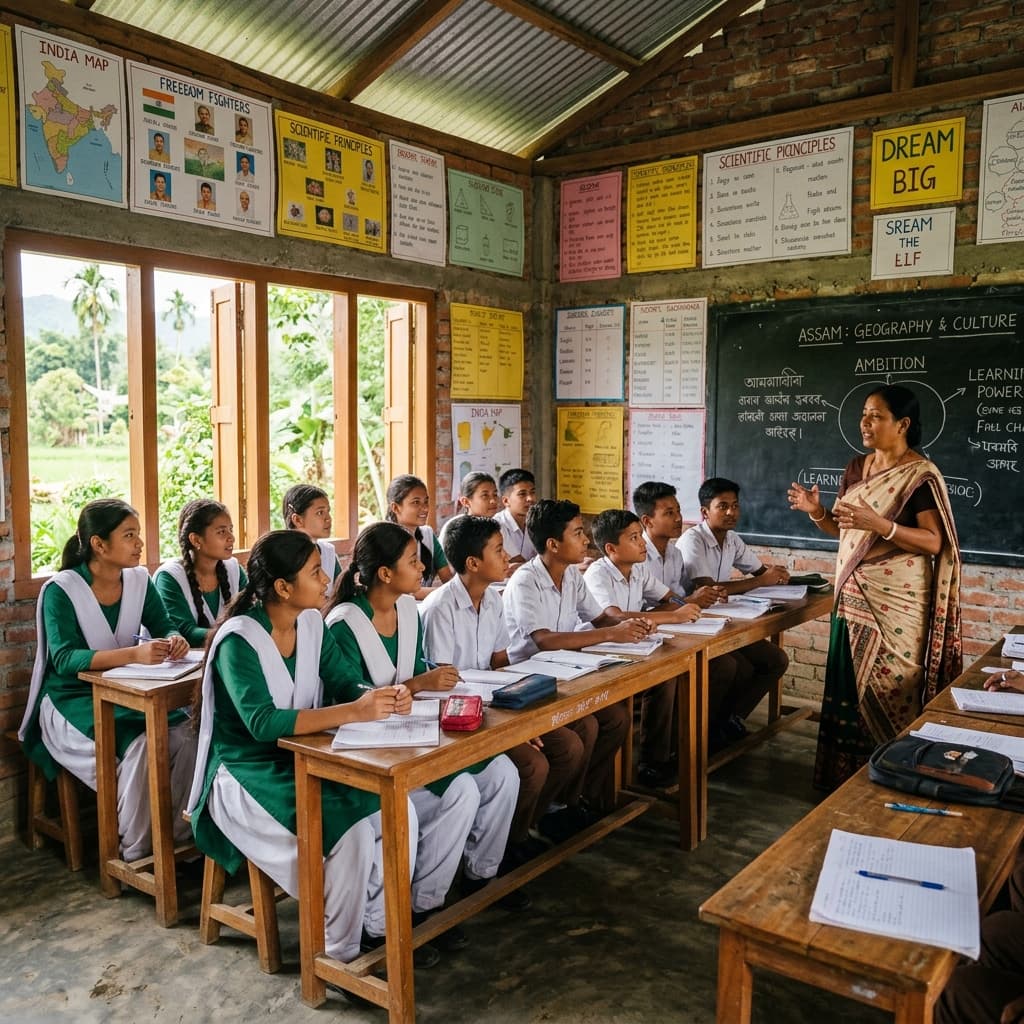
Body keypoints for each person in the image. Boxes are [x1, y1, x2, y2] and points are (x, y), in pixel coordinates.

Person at [185, 529, 441, 973]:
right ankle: (337, 954)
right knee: (353, 833)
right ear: (283, 587)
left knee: (398, 812)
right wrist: (355, 712)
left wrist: (380, 697)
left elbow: (345, 682)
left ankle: (376, 928)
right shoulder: (238, 639)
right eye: (315, 572)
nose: (328, 579)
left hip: (302, 755)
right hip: (245, 771)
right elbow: (261, 724)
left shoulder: (311, 623)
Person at [324, 522, 518, 950]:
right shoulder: (345, 623)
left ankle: (471, 880)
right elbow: (350, 694)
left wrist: (429, 685)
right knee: (462, 791)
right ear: (385, 574)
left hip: (412, 732)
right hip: (368, 748)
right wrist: (418, 685)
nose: (423, 567)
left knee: (503, 772)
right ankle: (416, 908)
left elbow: (412, 675)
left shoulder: (409, 609)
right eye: (412, 561)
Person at [788, 384, 962, 790]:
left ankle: (893, 776)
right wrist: (817, 513)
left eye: (876, 416)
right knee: (848, 684)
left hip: (897, 600)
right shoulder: (855, 468)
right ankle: (841, 782)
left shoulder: (919, 475)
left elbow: (935, 542)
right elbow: (846, 530)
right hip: (852, 595)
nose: (865, 423)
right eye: (864, 414)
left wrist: (883, 525)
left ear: (902, 424)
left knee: (891, 685)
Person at [18, 499, 196, 861]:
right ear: (98, 545)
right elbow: (65, 660)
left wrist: (175, 639)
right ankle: (136, 848)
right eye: (129, 536)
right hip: (72, 701)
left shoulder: (138, 581)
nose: (139, 544)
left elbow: (164, 626)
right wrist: (134, 655)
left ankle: (177, 836)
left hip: (127, 693)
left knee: (185, 733)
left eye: (138, 535)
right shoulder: (62, 590)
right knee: (142, 741)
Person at [421, 515, 586, 879]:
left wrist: (524, 708)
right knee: (532, 765)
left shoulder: (492, 600)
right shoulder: (439, 610)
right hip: (459, 717)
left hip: (494, 705)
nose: (508, 555)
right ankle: (493, 850)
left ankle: (519, 832)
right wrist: (514, 727)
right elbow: (445, 687)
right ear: (472, 563)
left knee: (567, 744)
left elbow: (497, 662)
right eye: (498, 550)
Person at [503, 499, 643, 819]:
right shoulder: (526, 580)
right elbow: (545, 640)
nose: (585, 540)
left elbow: (599, 617)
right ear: (553, 544)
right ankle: (547, 812)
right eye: (578, 533)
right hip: (527, 682)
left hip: (565, 675)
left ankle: (579, 797)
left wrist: (631, 627)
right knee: (580, 736)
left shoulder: (571, 575)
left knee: (616, 720)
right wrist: (611, 634)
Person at [584, 509, 702, 788]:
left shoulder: (637, 570)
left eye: (640, 536)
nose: (642, 544)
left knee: (671, 676)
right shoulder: (598, 574)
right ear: (611, 548)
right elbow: (613, 617)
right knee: (659, 680)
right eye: (634, 538)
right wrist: (672, 616)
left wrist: (686, 604)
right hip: (600, 653)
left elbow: (670, 597)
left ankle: (657, 758)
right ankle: (625, 773)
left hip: (633, 647)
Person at [679, 477, 791, 752]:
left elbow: (760, 573)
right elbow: (707, 589)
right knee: (736, 667)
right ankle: (704, 732)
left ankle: (729, 719)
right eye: (723, 506)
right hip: (695, 623)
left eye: (735, 506)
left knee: (775, 660)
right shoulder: (693, 541)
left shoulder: (732, 539)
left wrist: (777, 575)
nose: (731, 513)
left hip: (726, 622)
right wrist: (761, 581)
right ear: (705, 512)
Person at [153, 499, 245, 647]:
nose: (232, 538)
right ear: (196, 539)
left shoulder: (234, 569)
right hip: (176, 667)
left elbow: (251, 614)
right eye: (221, 532)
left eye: (231, 530)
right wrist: (235, 633)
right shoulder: (169, 576)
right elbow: (185, 632)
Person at [632, 481, 726, 610]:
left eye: (678, 511)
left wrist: (711, 594)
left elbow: (684, 595)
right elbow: (639, 612)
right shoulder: (635, 558)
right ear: (647, 521)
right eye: (669, 513)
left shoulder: (675, 553)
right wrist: (690, 601)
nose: (678, 518)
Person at [385, 474, 453, 598]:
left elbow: (448, 579)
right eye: (416, 502)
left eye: (426, 501)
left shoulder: (427, 535)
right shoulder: (384, 540)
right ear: (395, 507)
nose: (425, 508)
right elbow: (405, 592)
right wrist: (449, 592)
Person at [282, 483, 340, 590]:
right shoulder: (279, 556)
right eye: (320, 512)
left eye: (328, 511)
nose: (328, 518)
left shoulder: (328, 553)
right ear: (297, 520)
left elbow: (340, 596)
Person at [438, 472, 500, 548]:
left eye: (495, 494)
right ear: (466, 501)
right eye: (485, 495)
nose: (493, 500)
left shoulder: (498, 525)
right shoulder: (456, 529)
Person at [494, 468, 537, 570]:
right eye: (522, 494)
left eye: (532, 492)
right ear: (506, 501)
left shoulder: (537, 521)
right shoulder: (497, 525)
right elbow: (517, 563)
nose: (530, 498)